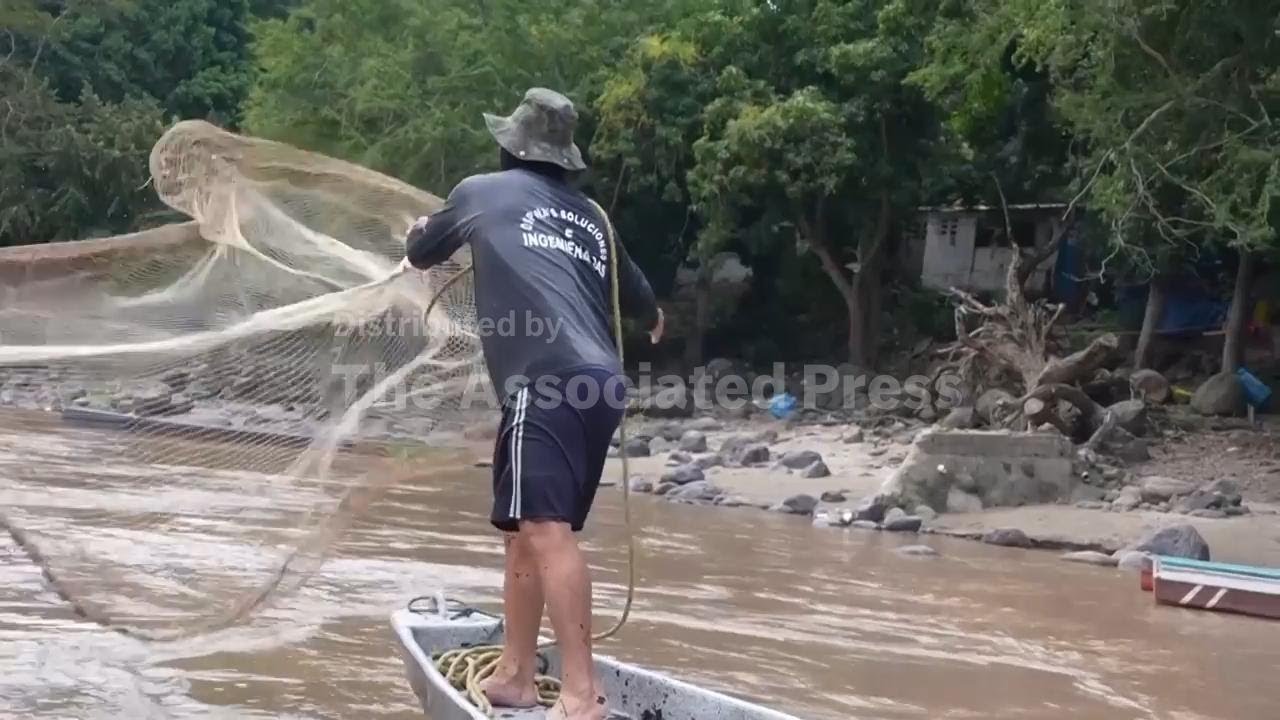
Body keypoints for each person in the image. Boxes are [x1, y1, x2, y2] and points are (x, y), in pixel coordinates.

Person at [403, 87, 663, 720]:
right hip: (600, 385)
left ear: (509, 145)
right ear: (564, 157)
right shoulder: (593, 219)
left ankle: (580, 692)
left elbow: (420, 251)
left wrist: (416, 233)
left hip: (542, 384)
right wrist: (654, 317)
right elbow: (645, 306)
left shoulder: (481, 192)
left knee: (545, 533)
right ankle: (517, 674)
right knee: (528, 532)